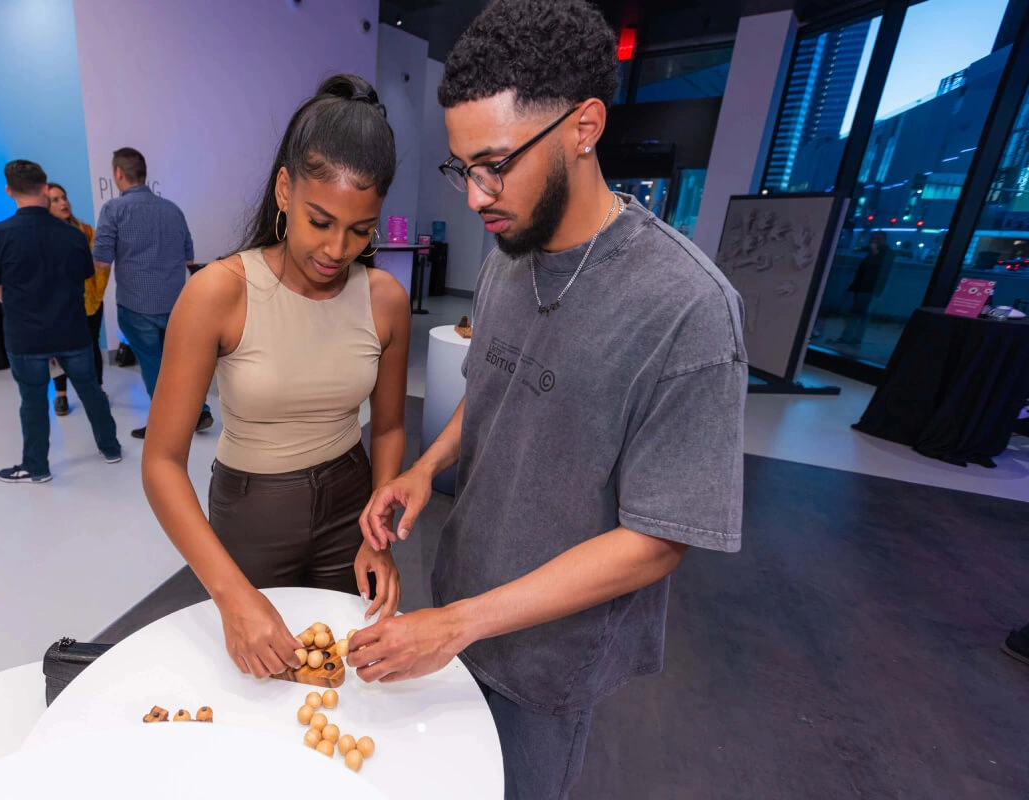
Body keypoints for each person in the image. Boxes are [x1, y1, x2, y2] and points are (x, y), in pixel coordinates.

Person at [346, 3, 747, 798]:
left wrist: (459, 624)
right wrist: (425, 468)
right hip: (460, 595)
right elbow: (496, 384)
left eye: (495, 164)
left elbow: (657, 541)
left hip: (549, 650)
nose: (475, 197)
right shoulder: (510, 249)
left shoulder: (689, 308)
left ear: (584, 126)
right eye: (463, 170)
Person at [141, 75, 410, 679]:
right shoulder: (220, 293)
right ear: (285, 190)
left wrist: (379, 533)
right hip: (252, 514)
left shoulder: (385, 299)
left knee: (350, 678)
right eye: (320, 221)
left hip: (352, 504)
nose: (338, 248)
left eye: (361, 230)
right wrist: (231, 595)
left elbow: (390, 427)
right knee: (257, 686)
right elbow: (160, 462)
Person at [0, 160, 121, 483]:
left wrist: (19, 307)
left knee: (32, 400)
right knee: (91, 392)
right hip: (72, 329)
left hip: (25, 334)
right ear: (45, 189)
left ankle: (37, 467)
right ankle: (110, 448)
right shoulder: (73, 235)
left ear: (8, 191)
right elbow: (85, 275)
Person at [92, 147, 211, 438]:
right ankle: (200, 411)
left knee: (153, 363)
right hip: (176, 302)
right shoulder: (172, 210)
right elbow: (188, 259)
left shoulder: (113, 210)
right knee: (179, 362)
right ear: (144, 174)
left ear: (118, 173)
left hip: (137, 303)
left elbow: (101, 261)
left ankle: (166, 425)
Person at [47, 182, 108, 416]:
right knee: (57, 348)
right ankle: (61, 395)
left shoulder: (86, 231)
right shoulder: (43, 235)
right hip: (57, 304)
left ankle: (98, 388)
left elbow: (98, 265)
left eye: (64, 197)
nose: (63, 203)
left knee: (91, 344)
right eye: (55, 200)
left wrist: (93, 290)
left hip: (88, 300)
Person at [837, 231, 894, 347]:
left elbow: (873, 267)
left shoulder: (882, 254)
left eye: (877, 238)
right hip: (866, 287)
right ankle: (855, 338)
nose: (874, 241)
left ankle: (847, 337)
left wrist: (873, 252)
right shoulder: (884, 253)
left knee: (857, 313)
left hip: (868, 287)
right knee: (861, 314)